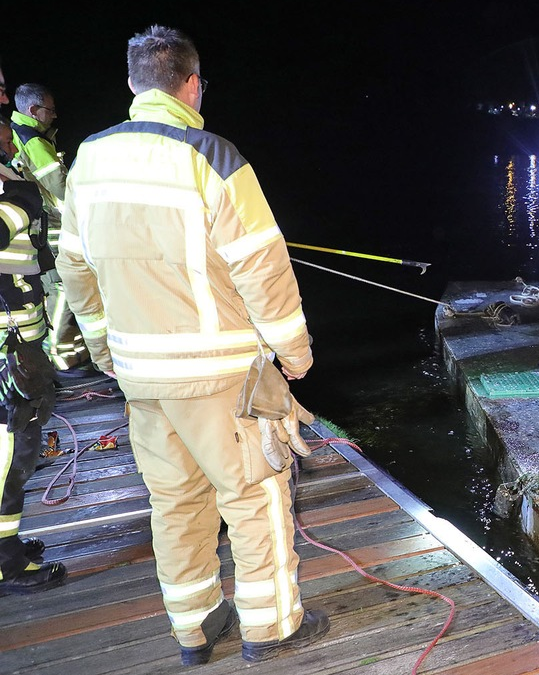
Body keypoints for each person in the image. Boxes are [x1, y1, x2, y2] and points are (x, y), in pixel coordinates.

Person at [56, 26, 328, 664]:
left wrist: (103, 349)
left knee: (174, 502)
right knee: (253, 495)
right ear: (193, 85)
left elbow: (74, 271)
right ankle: (271, 627)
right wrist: (295, 354)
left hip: (141, 378)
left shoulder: (88, 159)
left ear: (131, 85)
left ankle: (196, 628)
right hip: (223, 378)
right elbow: (262, 265)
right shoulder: (214, 156)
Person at [0, 59, 67, 595]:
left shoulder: (8, 158)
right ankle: (4, 563)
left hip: (20, 336)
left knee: (21, 447)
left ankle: (9, 547)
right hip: (7, 343)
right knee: (10, 456)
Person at [9, 83, 90, 374]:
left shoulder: (20, 135)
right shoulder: (33, 141)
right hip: (53, 229)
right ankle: (60, 354)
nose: (54, 116)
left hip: (37, 229)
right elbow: (60, 186)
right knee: (63, 289)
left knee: (54, 292)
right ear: (33, 110)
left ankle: (71, 353)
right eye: (50, 110)